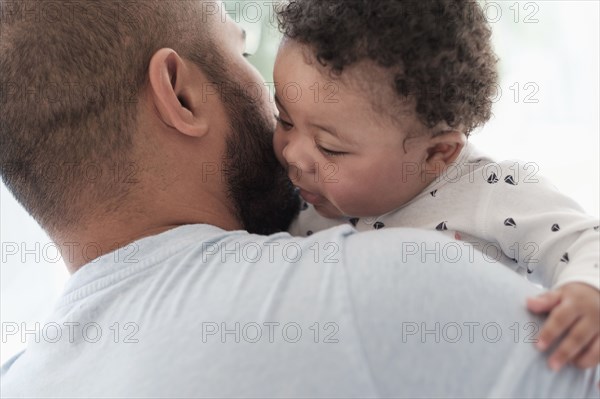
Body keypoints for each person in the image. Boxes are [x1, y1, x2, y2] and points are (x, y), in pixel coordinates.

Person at [0, 1, 597, 397]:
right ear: (179, 95)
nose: (293, 154)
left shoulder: (23, 377)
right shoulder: (372, 287)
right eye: (239, 50)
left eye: (332, 146)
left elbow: (574, 240)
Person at [272, 0, 600, 372]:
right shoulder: (303, 208)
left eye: (329, 148)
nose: (294, 155)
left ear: (437, 153)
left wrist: (588, 293)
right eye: (283, 119)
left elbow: (586, 239)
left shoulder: (491, 191)